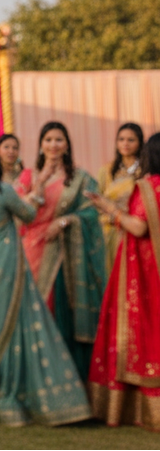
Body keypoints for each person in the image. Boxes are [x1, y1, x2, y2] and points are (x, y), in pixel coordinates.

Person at [0, 138, 90, 426]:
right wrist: (40, 185)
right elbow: (30, 214)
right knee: (8, 335)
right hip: (5, 274)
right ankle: (7, 399)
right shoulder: (2, 192)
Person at [17, 121, 106, 381]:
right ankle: (33, 376)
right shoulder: (27, 176)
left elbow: (92, 211)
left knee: (58, 309)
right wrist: (40, 183)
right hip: (31, 249)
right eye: (48, 140)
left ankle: (63, 376)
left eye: (58, 140)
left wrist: (66, 221)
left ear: (67, 145)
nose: (53, 145)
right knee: (31, 311)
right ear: (41, 144)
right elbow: (19, 213)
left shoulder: (80, 178)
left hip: (64, 253)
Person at [87, 132, 160, 431]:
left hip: (144, 272)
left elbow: (139, 227)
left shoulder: (147, 187)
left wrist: (110, 210)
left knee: (142, 332)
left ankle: (135, 408)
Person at [97, 123, 144, 271]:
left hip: (136, 229)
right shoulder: (107, 171)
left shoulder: (145, 170)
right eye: (121, 139)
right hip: (110, 232)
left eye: (131, 140)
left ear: (140, 143)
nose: (125, 144)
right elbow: (98, 201)